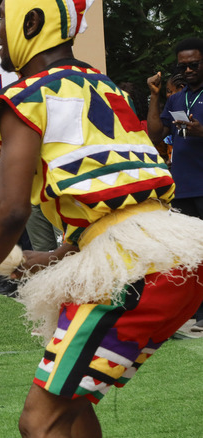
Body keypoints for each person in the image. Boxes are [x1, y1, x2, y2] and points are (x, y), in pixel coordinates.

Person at [0, 1, 203, 437]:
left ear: (31, 23)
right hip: (174, 257)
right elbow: (117, 199)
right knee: (73, 406)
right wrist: (56, 254)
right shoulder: (105, 87)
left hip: (134, 269)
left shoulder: (26, 96)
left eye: (2, 22)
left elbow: (8, 211)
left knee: (39, 422)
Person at [147, 37, 203, 332]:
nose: (189, 70)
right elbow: (156, 134)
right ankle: (191, 311)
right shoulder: (176, 98)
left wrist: (200, 132)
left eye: (194, 64)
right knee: (187, 254)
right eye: (183, 65)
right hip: (182, 187)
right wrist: (155, 96)